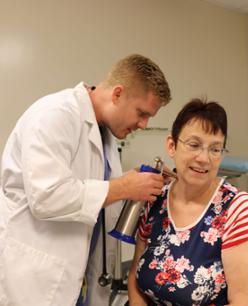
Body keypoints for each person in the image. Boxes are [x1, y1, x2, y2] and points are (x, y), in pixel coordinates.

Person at [0, 54, 171, 306]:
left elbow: (94, 193)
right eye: (141, 113)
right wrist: (124, 187)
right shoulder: (55, 114)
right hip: (36, 278)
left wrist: (134, 183)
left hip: (79, 277)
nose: (143, 125)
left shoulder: (106, 135)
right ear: (117, 94)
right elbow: (47, 197)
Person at [128, 98, 248, 306]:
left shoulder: (236, 208)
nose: (204, 158)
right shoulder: (155, 199)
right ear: (172, 146)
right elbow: (134, 276)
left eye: (215, 149)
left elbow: (246, 301)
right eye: (194, 145)